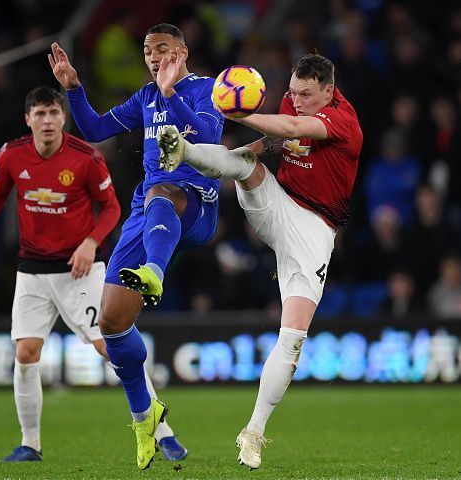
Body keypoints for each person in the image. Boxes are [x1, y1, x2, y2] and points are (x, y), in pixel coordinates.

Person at [0, 86, 181, 463]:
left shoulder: (86, 157)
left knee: (111, 348)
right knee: (25, 353)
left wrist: (91, 243)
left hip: (80, 271)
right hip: (33, 270)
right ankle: (30, 444)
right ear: (28, 120)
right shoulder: (11, 155)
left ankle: (163, 433)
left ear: (63, 118)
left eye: (54, 113)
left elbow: (110, 208)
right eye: (40, 114)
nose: (48, 121)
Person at [158, 53, 363, 469]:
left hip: (315, 231)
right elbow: (273, 140)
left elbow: (291, 127)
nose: (297, 101)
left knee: (293, 337)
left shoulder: (344, 122)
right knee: (247, 163)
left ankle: (253, 432)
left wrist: (237, 110)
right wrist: (236, 148)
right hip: (278, 204)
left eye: (307, 95)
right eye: (292, 92)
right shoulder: (294, 101)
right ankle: (184, 151)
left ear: (329, 91)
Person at [49, 23, 224, 469]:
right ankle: (145, 417)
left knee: (162, 188)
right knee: (111, 321)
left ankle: (155, 274)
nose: (153, 57)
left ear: (183, 51)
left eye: (162, 49)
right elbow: (92, 129)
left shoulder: (207, 89)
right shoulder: (144, 98)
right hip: (148, 210)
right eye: (147, 51)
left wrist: (171, 96)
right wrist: (74, 89)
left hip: (195, 204)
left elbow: (205, 138)